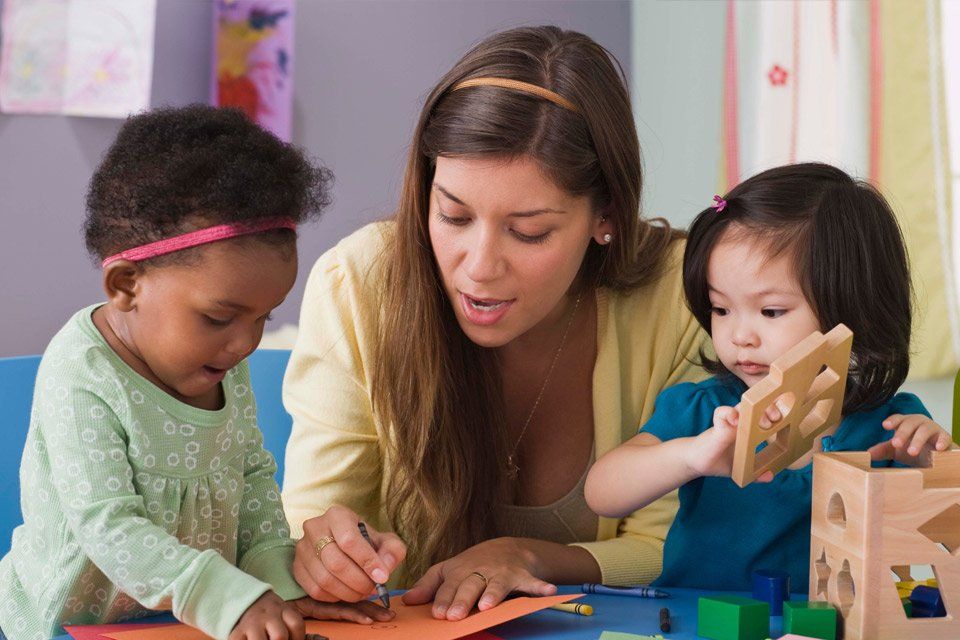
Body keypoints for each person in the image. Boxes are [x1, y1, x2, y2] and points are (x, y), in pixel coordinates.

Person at [282, 26, 706, 620]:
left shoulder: (684, 295)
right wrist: (324, 552)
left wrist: (526, 555)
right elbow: (314, 521)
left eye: (529, 231)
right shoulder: (358, 282)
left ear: (605, 215)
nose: (478, 269)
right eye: (453, 216)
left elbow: (676, 546)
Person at [0, 106, 393, 640]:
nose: (246, 342)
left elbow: (252, 479)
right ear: (125, 284)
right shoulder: (82, 373)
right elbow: (107, 527)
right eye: (219, 317)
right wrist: (223, 595)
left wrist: (282, 586)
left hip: (188, 624)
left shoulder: (217, 361)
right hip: (63, 629)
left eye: (264, 317)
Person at [584, 162, 953, 592]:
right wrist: (689, 457)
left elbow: (943, 539)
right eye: (721, 309)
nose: (740, 336)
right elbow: (602, 493)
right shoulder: (703, 410)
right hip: (694, 621)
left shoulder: (890, 424)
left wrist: (930, 463)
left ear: (854, 307)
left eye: (771, 311)